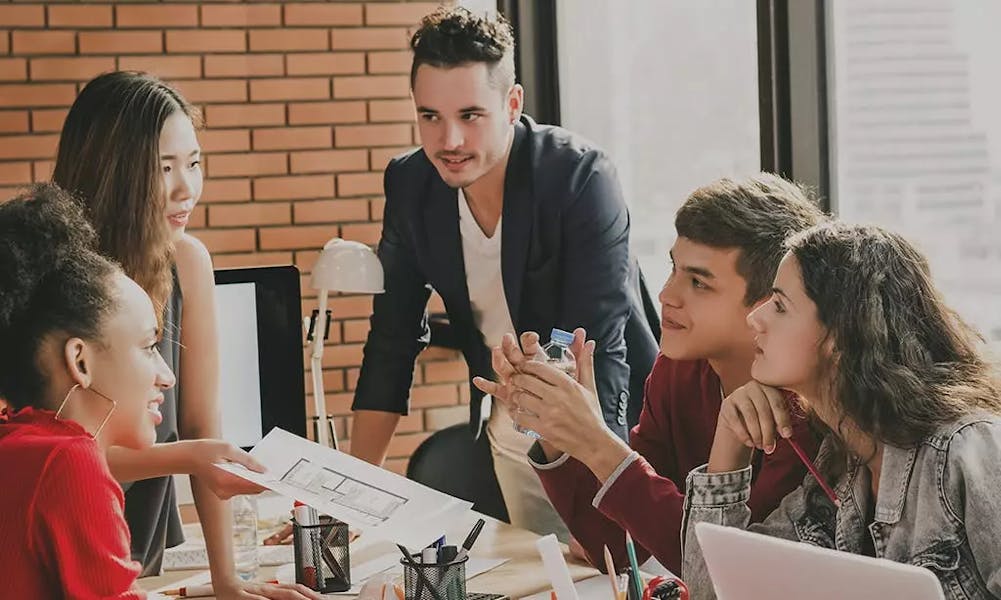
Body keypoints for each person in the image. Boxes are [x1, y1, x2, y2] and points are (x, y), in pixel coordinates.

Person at [349, 6, 658, 538]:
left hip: (606, 432)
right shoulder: (411, 184)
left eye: (470, 115)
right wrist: (352, 493)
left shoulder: (579, 178)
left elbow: (600, 347)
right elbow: (392, 340)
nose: (448, 140)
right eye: (429, 116)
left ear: (512, 104)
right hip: (510, 436)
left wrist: (607, 487)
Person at [476, 174, 826, 574]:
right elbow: (617, 544)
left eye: (698, 282)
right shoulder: (677, 370)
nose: (666, 295)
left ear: (768, 303)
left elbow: (721, 569)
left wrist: (596, 442)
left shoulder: (800, 413)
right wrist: (561, 434)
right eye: (673, 269)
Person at [0, 185, 318, 600]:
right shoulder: (69, 462)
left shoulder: (19, 444)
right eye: (149, 347)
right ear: (80, 361)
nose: (167, 376)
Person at [52, 71, 296, 599]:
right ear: (114, 171)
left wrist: (229, 580)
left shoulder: (187, 262)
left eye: (194, 162)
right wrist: (186, 456)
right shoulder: (53, 275)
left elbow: (203, 426)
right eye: (164, 168)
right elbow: (52, 458)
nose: (187, 188)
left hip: (136, 547)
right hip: (55, 537)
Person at [680, 222, 1001, 599]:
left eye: (780, 306)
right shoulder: (838, 468)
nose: (756, 318)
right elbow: (710, 592)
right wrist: (730, 449)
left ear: (840, 336)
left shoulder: (970, 448)